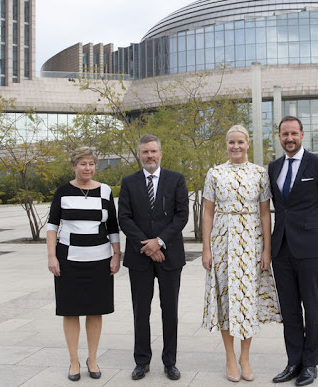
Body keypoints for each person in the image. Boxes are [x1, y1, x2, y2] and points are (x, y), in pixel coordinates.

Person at [201, 125, 281, 382]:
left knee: (247, 299)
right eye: (231, 142)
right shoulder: (215, 173)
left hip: (251, 243)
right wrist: (206, 248)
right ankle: (229, 357)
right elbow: (208, 212)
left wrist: (267, 249)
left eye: (240, 142)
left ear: (248, 143)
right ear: (226, 145)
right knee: (225, 298)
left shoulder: (259, 173)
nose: (235, 146)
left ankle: (245, 357)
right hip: (222, 242)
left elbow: (265, 213)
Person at [269, 116, 318, 386]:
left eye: (293, 133)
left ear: (302, 135)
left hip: (311, 249)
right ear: (279, 137)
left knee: (312, 307)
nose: (289, 138)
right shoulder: (273, 167)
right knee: (289, 309)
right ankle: (293, 362)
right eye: (284, 134)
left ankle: (310, 364)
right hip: (281, 249)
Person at [118, 134, 189, 381]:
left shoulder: (176, 180)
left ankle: (170, 362)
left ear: (160, 153)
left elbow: (181, 216)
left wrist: (159, 241)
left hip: (170, 256)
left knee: (170, 310)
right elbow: (124, 218)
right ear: (140, 155)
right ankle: (142, 361)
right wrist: (147, 246)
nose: (150, 156)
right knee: (140, 311)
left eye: (153, 151)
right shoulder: (129, 182)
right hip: (139, 257)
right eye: (145, 152)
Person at [47, 146, 121, 382]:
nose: (87, 168)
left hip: (100, 261)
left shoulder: (105, 191)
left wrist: (116, 254)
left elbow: (112, 226)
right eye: (83, 164)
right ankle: (73, 361)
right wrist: (51, 256)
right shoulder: (63, 192)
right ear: (73, 166)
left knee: (95, 310)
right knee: (70, 311)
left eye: (91, 164)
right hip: (69, 261)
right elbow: (52, 226)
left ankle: (92, 359)